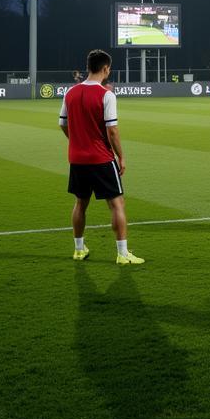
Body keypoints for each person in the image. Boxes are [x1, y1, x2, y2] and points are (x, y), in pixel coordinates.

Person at [60, 49, 144, 265]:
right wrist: (121, 157)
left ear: (88, 67)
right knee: (117, 204)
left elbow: (62, 123)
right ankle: (123, 254)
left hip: (77, 159)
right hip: (100, 158)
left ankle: (79, 249)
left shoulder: (70, 93)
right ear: (106, 69)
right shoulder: (106, 94)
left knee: (80, 203)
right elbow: (112, 131)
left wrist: (77, 141)